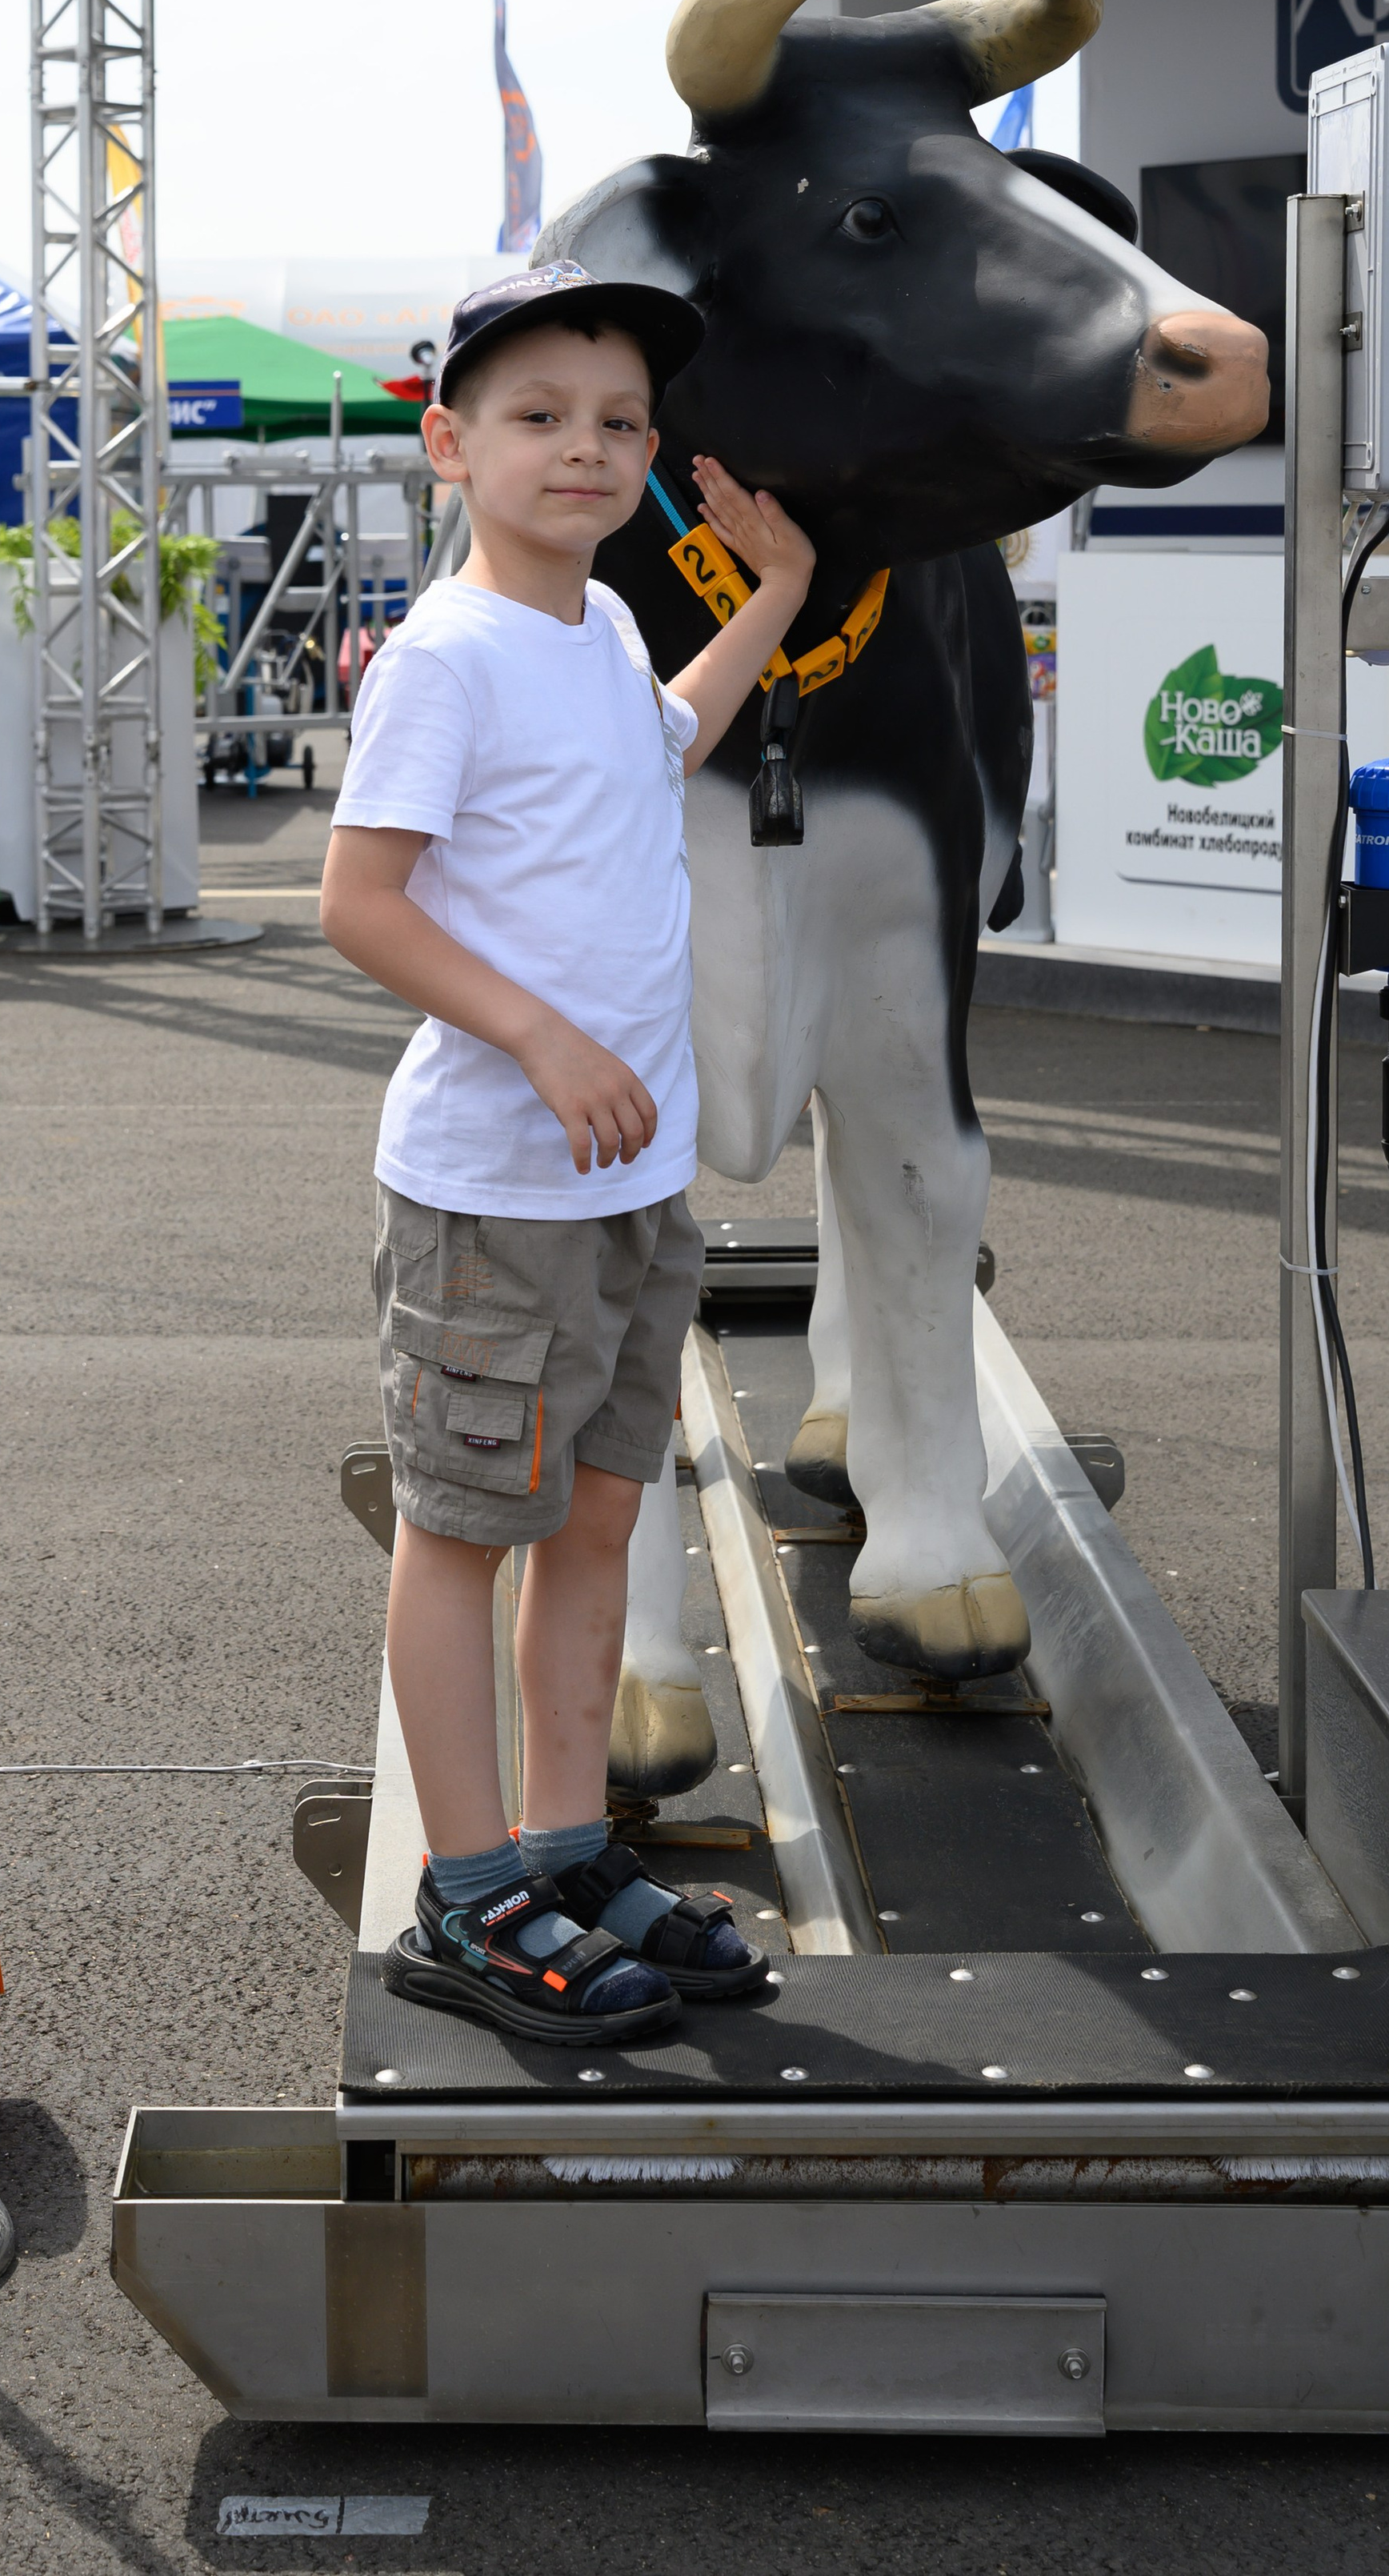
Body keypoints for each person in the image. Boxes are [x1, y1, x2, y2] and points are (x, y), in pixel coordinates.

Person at [319, 259, 815, 2045]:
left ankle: (558, 1844)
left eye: (617, 422)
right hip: (489, 1189)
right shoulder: (442, 657)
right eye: (537, 417)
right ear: (449, 443)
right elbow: (356, 903)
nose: (583, 450)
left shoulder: (596, 630)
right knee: (463, 1533)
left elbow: (668, 729)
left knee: (596, 1528)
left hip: (627, 1185)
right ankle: (467, 1899)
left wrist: (775, 596)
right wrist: (532, 1029)